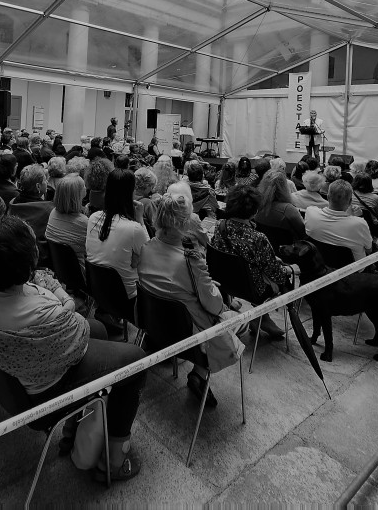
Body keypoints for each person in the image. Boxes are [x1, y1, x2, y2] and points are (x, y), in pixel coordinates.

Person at [0, 216, 146, 481]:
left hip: (17, 369)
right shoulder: (42, 318)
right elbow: (78, 330)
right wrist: (66, 303)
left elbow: (40, 280)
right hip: (44, 389)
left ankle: (79, 424)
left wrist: (57, 295)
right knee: (137, 361)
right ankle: (115, 459)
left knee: (101, 330)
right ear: (24, 266)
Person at [138, 195, 246, 408]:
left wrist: (202, 284)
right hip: (191, 338)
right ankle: (200, 372)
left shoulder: (146, 247)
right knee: (242, 320)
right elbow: (214, 306)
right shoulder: (191, 261)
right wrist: (208, 286)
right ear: (184, 222)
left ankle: (200, 372)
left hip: (156, 326)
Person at [212, 185, 293, 339]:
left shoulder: (220, 226)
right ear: (255, 211)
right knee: (287, 277)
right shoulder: (258, 238)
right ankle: (261, 318)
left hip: (225, 282)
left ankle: (262, 318)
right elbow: (276, 274)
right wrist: (290, 270)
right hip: (252, 289)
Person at [86, 169, 147, 302]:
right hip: (128, 297)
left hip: (98, 290)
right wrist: (141, 219)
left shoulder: (93, 218)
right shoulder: (134, 228)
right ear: (131, 192)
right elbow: (150, 256)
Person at [304, 179, 372, 261]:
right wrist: (357, 217)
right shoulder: (360, 223)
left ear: (328, 197)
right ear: (350, 201)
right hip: (352, 269)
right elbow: (369, 250)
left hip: (320, 262)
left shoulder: (310, 212)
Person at [45, 174, 89, 271]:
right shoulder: (84, 222)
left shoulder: (53, 213)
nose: (86, 187)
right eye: (84, 186)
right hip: (82, 272)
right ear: (77, 194)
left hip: (60, 271)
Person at [8, 164, 55, 242]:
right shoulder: (48, 209)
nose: (47, 182)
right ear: (38, 186)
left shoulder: (13, 202)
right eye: (45, 179)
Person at [254, 168, 306, 239]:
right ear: (284, 186)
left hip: (266, 245)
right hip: (286, 247)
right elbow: (303, 234)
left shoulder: (256, 205)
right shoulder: (288, 210)